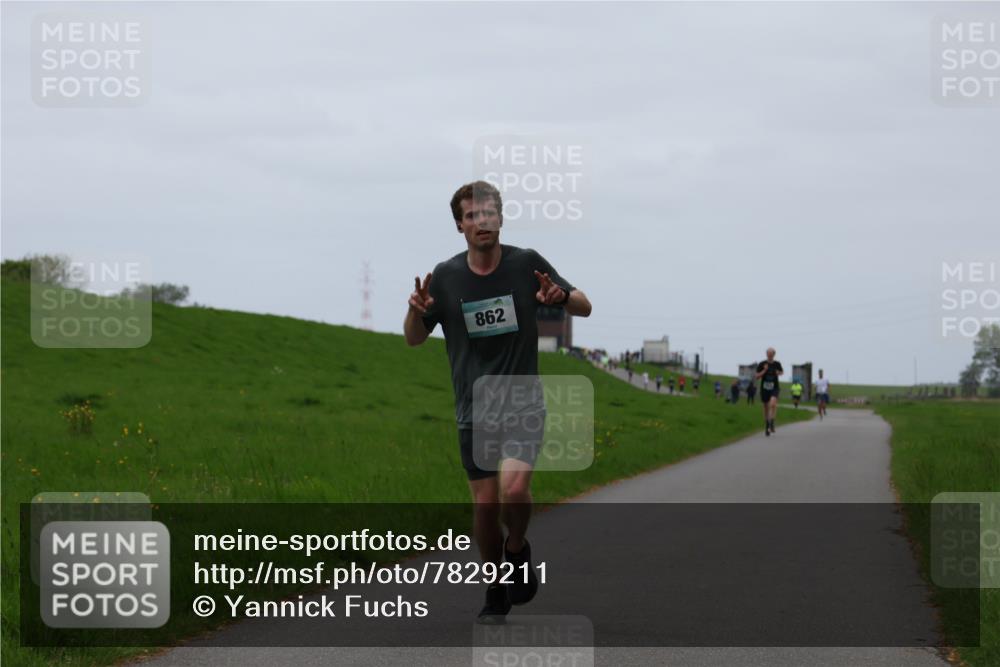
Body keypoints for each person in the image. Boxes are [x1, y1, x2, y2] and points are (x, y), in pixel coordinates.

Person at [405, 180, 592, 623]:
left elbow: (584, 305)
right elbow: (414, 338)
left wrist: (560, 296)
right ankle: (494, 590)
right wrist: (416, 309)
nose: (481, 222)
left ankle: (517, 549)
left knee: (514, 489)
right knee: (486, 507)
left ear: (500, 218)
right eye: (471, 216)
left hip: (523, 401)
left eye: (488, 213)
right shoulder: (446, 277)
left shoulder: (526, 263)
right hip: (474, 410)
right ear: (459, 225)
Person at [754, 348, 784, 436]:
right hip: (764, 388)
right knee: (766, 407)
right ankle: (767, 424)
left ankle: (772, 422)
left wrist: (778, 372)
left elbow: (781, 372)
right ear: (766, 354)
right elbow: (757, 376)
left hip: (774, 387)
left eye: (771, 354)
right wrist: (764, 370)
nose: (770, 355)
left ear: (774, 354)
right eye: (768, 353)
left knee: (773, 404)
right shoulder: (762, 364)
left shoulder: (777, 364)